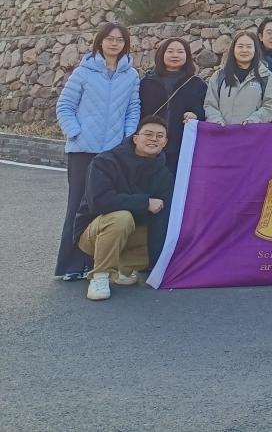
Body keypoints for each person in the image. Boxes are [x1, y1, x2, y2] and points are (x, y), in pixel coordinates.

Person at [54, 22, 141, 281]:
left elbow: (133, 109)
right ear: (100, 42)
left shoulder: (131, 75)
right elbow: (65, 106)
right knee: (77, 205)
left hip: (113, 153)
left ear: (125, 44)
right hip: (83, 151)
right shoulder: (84, 72)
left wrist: (127, 139)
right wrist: (75, 133)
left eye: (120, 40)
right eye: (110, 39)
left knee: (105, 205)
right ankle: (71, 266)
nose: (114, 43)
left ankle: (100, 264)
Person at [72, 116, 174, 301]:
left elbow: (162, 218)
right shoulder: (105, 161)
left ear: (165, 142)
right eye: (148, 134)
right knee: (122, 217)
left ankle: (123, 268)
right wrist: (144, 203)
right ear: (135, 138)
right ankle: (100, 276)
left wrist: (157, 268)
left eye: (160, 136)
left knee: (171, 232)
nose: (154, 139)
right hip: (93, 233)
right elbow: (100, 202)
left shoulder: (164, 174)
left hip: (131, 234)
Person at [138, 37, 205, 172]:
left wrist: (195, 115)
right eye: (170, 51)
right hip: (150, 144)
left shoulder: (197, 84)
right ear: (162, 54)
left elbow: (204, 111)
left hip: (181, 146)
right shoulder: (147, 82)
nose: (175, 55)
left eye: (180, 52)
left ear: (187, 56)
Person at [204, 30, 272, 126]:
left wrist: (253, 120)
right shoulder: (219, 76)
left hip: (253, 132)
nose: (244, 50)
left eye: (249, 46)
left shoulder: (266, 77)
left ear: (255, 49)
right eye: (240, 46)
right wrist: (217, 121)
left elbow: (270, 106)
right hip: (223, 132)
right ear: (233, 49)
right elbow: (210, 105)